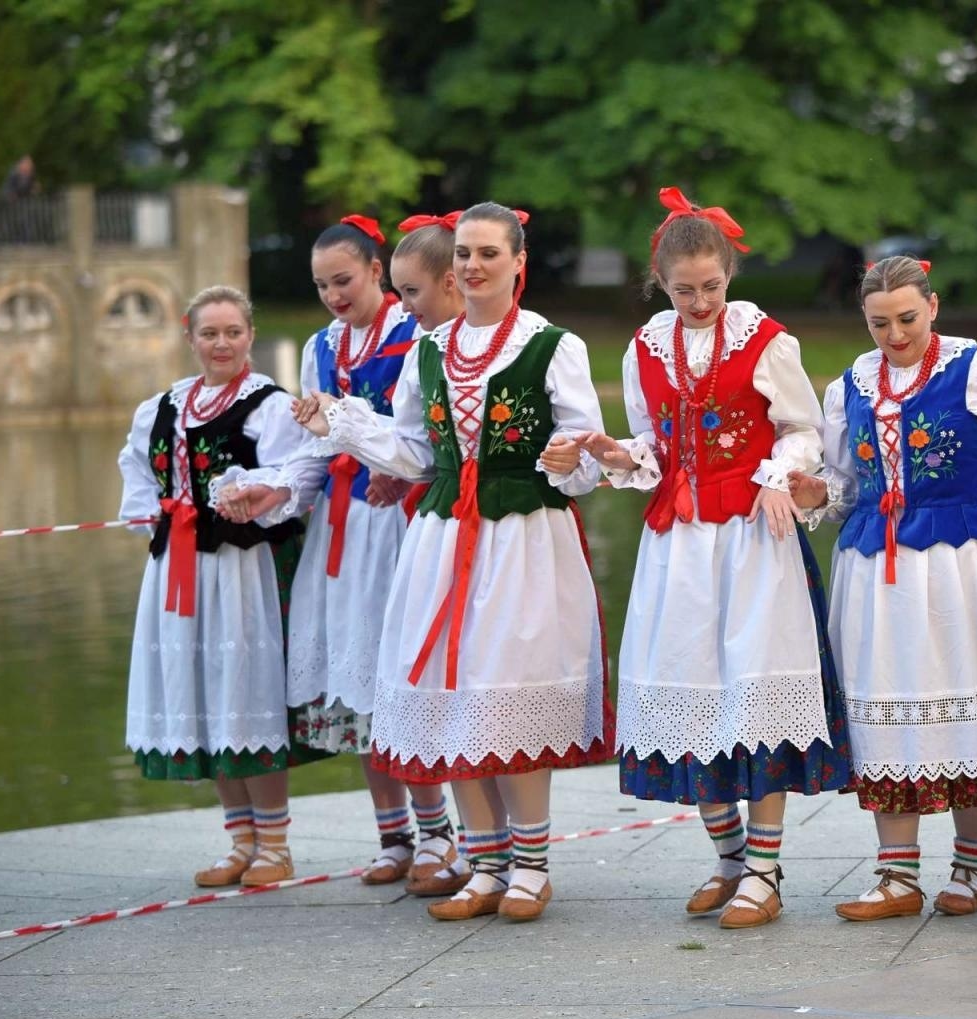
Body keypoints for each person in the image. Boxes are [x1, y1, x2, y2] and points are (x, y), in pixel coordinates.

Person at [295, 202, 614, 922]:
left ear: (518, 262)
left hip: (523, 536)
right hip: (441, 540)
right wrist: (342, 424)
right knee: (452, 698)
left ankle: (531, 864)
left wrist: (569, 457)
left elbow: (584, 455)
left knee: (509, 688)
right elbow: (413, 452)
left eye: (487, 254)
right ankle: (486, 860)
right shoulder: (428, 351)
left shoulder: (550, 346)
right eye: (465, 254)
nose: (472, 266)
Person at [579, 187, 851, 930]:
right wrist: (615, 453)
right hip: (680, 544)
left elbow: (803, 429)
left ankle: (765, 869)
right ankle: (728, 858)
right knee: (690, 689)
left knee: (755, 696)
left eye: (712, 287)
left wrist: (774, 479)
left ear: (728, 276)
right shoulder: (645, 348)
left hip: (752, 539)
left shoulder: (767, 340)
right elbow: (653, 447)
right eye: (684, 290)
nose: (700, 301)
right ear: (661, 284)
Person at [789, 254, 977, 921]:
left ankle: (970, 871)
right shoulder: (852, 383)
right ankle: (897, 877)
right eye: (880, 322)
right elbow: (847, 479)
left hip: (958, 561)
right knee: (883, 703)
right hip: (872, 567)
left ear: (933, 306)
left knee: (968, 703)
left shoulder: (975, 367)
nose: (895, 335)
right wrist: (818, 491)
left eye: (907, 318)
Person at [213, 215, 461, 895]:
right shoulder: (324, 347)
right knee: (357, 694)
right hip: (343, 531)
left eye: (343, 279)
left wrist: (405, 469)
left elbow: (438, 435)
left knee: (403, 681)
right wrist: (275, 492)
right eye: (321, 284)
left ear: (377, 271)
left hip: (402, 525)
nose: (332, 294)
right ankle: (395, 837)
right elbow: (315, 454)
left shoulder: (419, 333)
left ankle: (442, 835)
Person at [117, 285, 322, 887]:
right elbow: (136, 474)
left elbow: (291, 479)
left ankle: (275, 846)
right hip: (179, 567)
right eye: (210, 333)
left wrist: (247, 495)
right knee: (205, 697)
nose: (222, 343)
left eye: (233, 332)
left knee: (245, 693)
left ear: (250, 336)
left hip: (243, 568)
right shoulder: (162, 407)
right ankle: (239, 839)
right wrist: (157, 513)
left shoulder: (268, 405)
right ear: (190, 337)